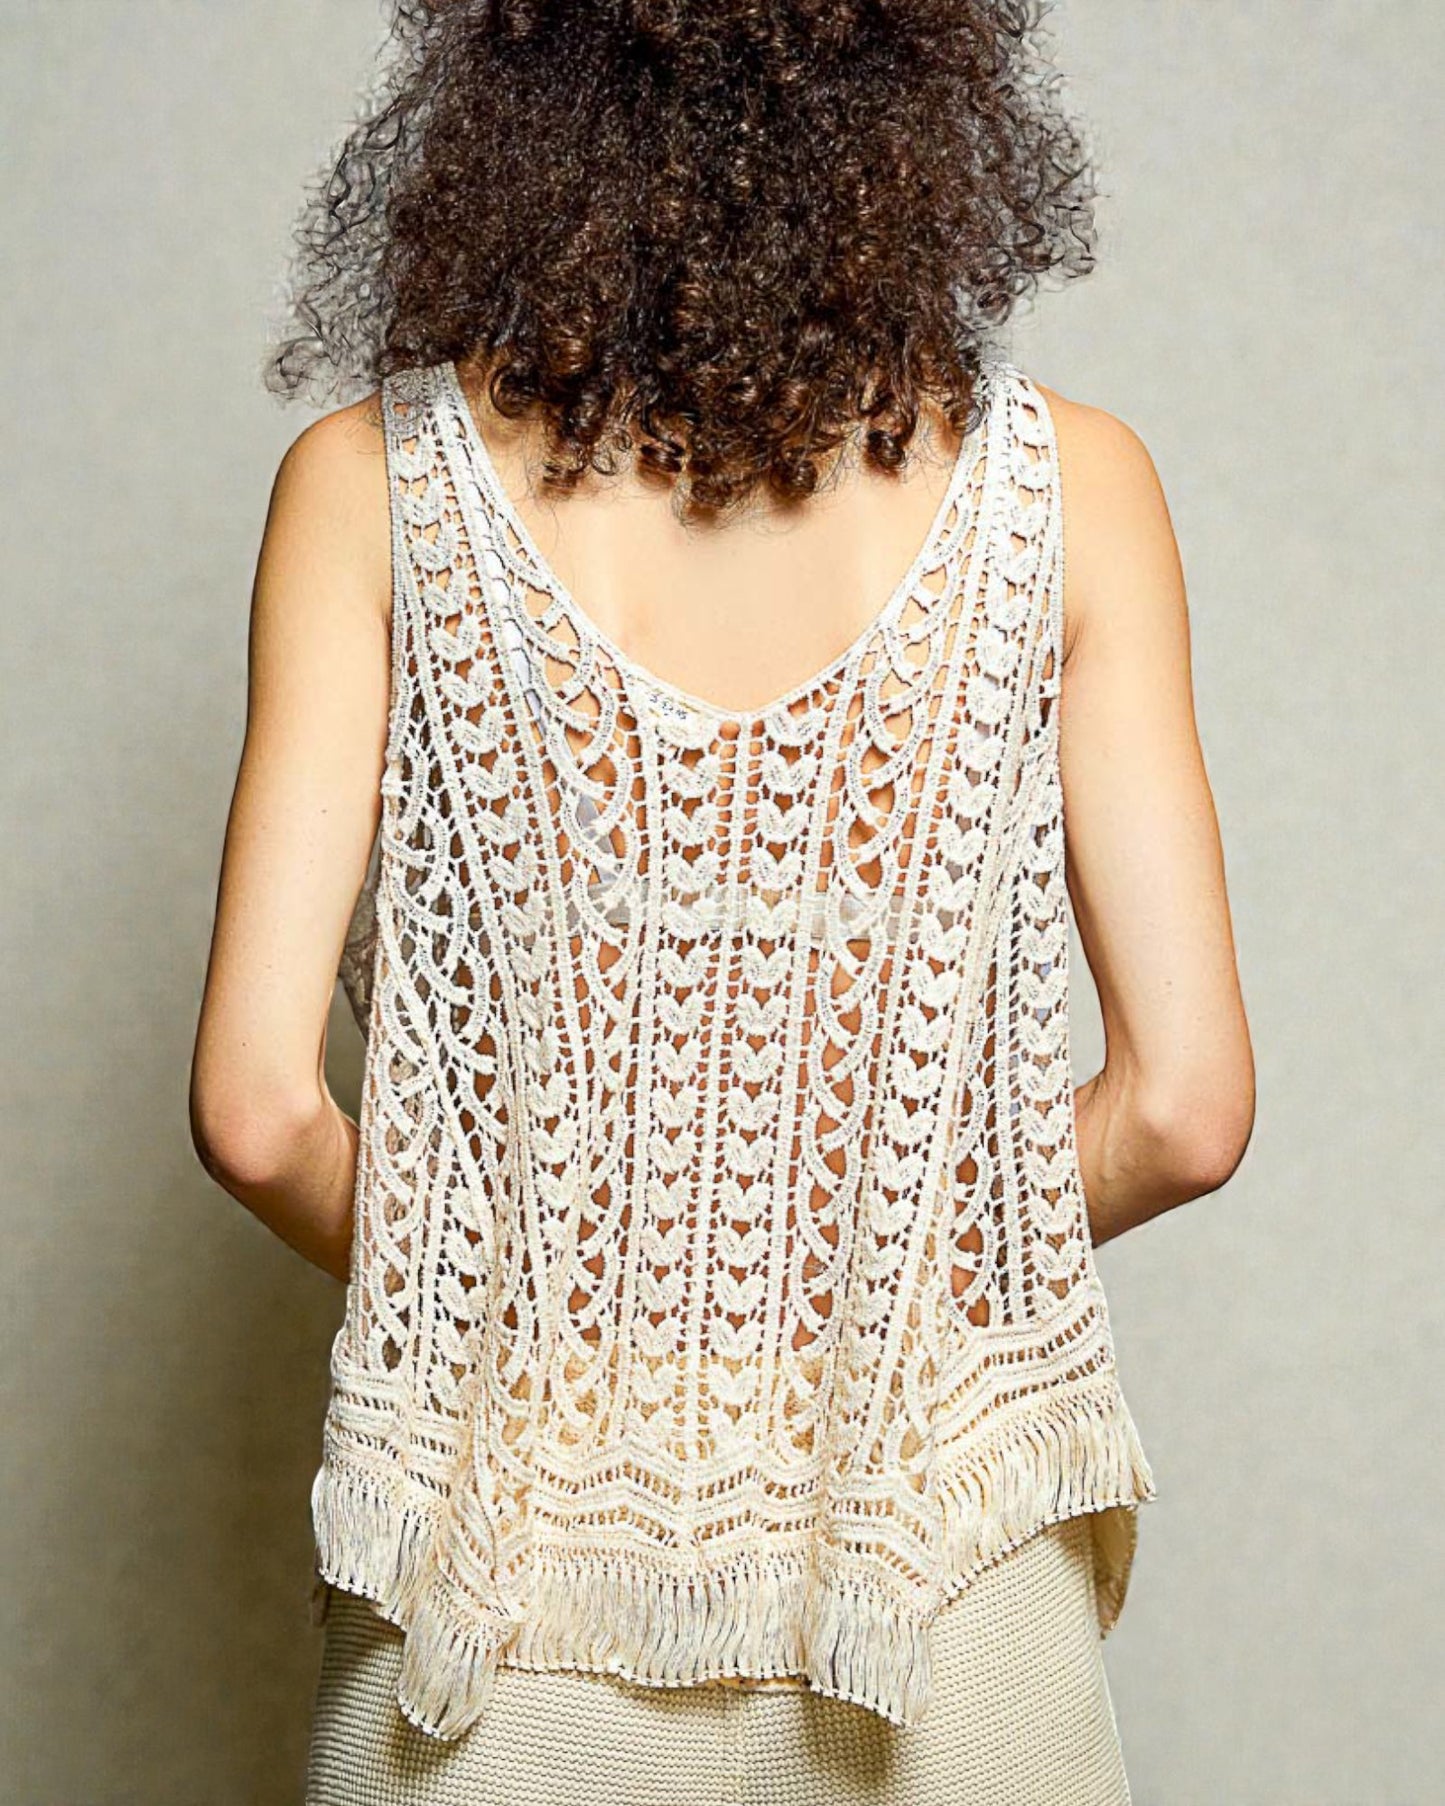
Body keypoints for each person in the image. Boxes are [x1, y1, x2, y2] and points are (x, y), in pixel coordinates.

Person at [189, 3, 1255, 1802]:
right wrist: (877, 1267)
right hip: (941, 1582)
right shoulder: (1073, 494)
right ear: (928, 106)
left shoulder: (369, 494)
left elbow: (258, 1110)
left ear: (513, 96)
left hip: (499, 1588)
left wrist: (526, 1290)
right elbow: (1184, 1107)